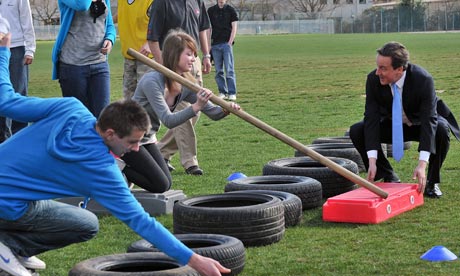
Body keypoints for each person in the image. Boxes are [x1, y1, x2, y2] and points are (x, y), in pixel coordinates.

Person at [0, 33, 230, 276]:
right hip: (8, 206)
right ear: (110, 133)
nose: (136, 149)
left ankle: (14, 249)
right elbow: (142, 222)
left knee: (46, 204)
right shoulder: (102, 170)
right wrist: (194, 259)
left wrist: (3, 54)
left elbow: (6, 101)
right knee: (86, 224)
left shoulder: (70, 107)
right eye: (131, 142)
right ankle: (10, 247)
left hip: (11, 196)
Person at [122, 30, 240, 193]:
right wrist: (196, 106)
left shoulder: (185, 84)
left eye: (194, 54)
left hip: (147, 137)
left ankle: (124, 171)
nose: (193, 59)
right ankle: (118, 168)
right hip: (127, 137)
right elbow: (168, 120)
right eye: (189, 54)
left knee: (166, 183)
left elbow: (213, 113)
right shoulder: (152, 81)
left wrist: (227, 109)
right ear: (174, 54)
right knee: (160, 184)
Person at [349, 41, 460, 199]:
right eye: (377, 67)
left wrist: (422, 164)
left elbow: (429, 121)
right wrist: (372, 160)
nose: (377, 72)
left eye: (383, 68)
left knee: (441, 130)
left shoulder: (423, 79)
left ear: (399, 69)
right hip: (391, 124)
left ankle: (431, 182)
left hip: (420, 123)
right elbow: (371, 118)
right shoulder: (373, 80)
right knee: (357, 130)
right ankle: (388, 175)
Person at [147, 0, 212, 175]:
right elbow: (152, 39)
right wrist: (166, 69)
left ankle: (161, 151)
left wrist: (206, 55)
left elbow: (202, 28)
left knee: (195, 112)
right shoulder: (162, 3)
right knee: (185, 110)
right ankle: (190, 162)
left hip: (193, 62)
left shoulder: (197, 1)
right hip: (173, 66)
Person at [51, 0, 116, 118]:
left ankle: (98, 138)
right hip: (73, 66)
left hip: (99, 63)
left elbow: (110, 25)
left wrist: (110, 39)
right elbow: (83, 5)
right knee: (78, 117)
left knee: (103, 117)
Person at [0, 0, 36, 142]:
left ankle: (21, 139)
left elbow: (27, 21)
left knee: (18, 94)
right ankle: (4, 139)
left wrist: (30, 50)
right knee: (2, 95)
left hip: (16, 49)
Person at [115, 0, 154, 100]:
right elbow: (120, 15)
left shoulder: (151, 2)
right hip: (129, 57)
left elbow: (163, 22)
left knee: (147, 100)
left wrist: (150, 42)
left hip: (147, 60)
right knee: (129, 100)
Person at [207, 0, 238, 101]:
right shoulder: (211, 11)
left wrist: (230, 42)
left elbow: (234, 27)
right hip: (215, 44)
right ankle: (222, 92)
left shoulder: (231, 10)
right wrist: (208, 45)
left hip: (226, 44)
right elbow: (208, 28)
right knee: (218, 71)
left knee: (229, 70)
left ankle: (232, 92)